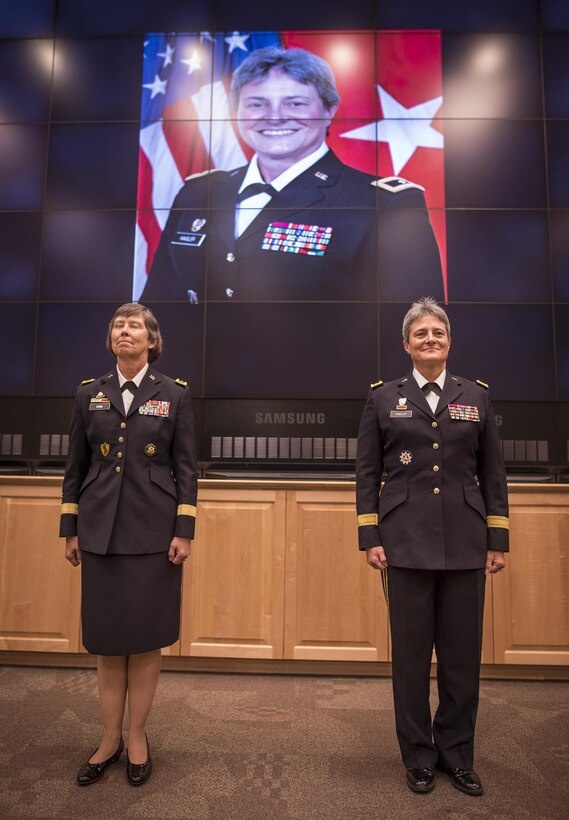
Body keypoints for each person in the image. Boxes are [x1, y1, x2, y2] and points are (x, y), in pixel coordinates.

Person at [141, 45, 443, 304]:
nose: (275, 116)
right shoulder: (198, 194)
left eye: (295, 103)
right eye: (257, 104)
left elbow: (412, 333)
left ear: (329, 109)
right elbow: (160, 311)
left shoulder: (382, 204)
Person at [356, 297, 508, 796]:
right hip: (403, 544)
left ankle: (457, 755)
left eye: (438, 334)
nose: (430, 341)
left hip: (466, 542)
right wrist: (370, 536)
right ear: (406, 344)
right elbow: (366, 475)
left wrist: (497, 538)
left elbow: (492, 474)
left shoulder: (477, 396)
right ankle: (419, 756)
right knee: (411, 658)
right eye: (420, 334)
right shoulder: (383, 397)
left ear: (450, 342)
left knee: (462, 658)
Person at [59, 302, 198, 787]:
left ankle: (136, 736)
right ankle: (108, 739)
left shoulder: (174, 395)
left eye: (134, 325)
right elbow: (74, 469)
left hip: (154, 534)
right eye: (118, 325)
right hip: (99, 532)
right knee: (106, 640)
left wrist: (183, 530)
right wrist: (70, 528)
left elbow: (186, 470)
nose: (124, 331)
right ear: (111, 338)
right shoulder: (88, 394)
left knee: (143, 640)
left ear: (151, 341)